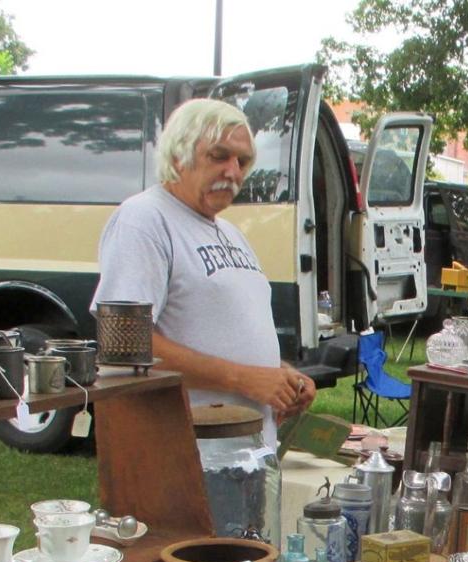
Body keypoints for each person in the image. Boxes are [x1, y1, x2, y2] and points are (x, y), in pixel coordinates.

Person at [92, 98, 314, 446]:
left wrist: (281, 375)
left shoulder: (231, 233)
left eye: (242, 161)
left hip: (245, 450)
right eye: (219, 155)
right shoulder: (144, 219)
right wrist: (244, 378)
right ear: (179, 154)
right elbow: (123, 346)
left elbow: (224, 330)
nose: (233, 172)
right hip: (182, 452)